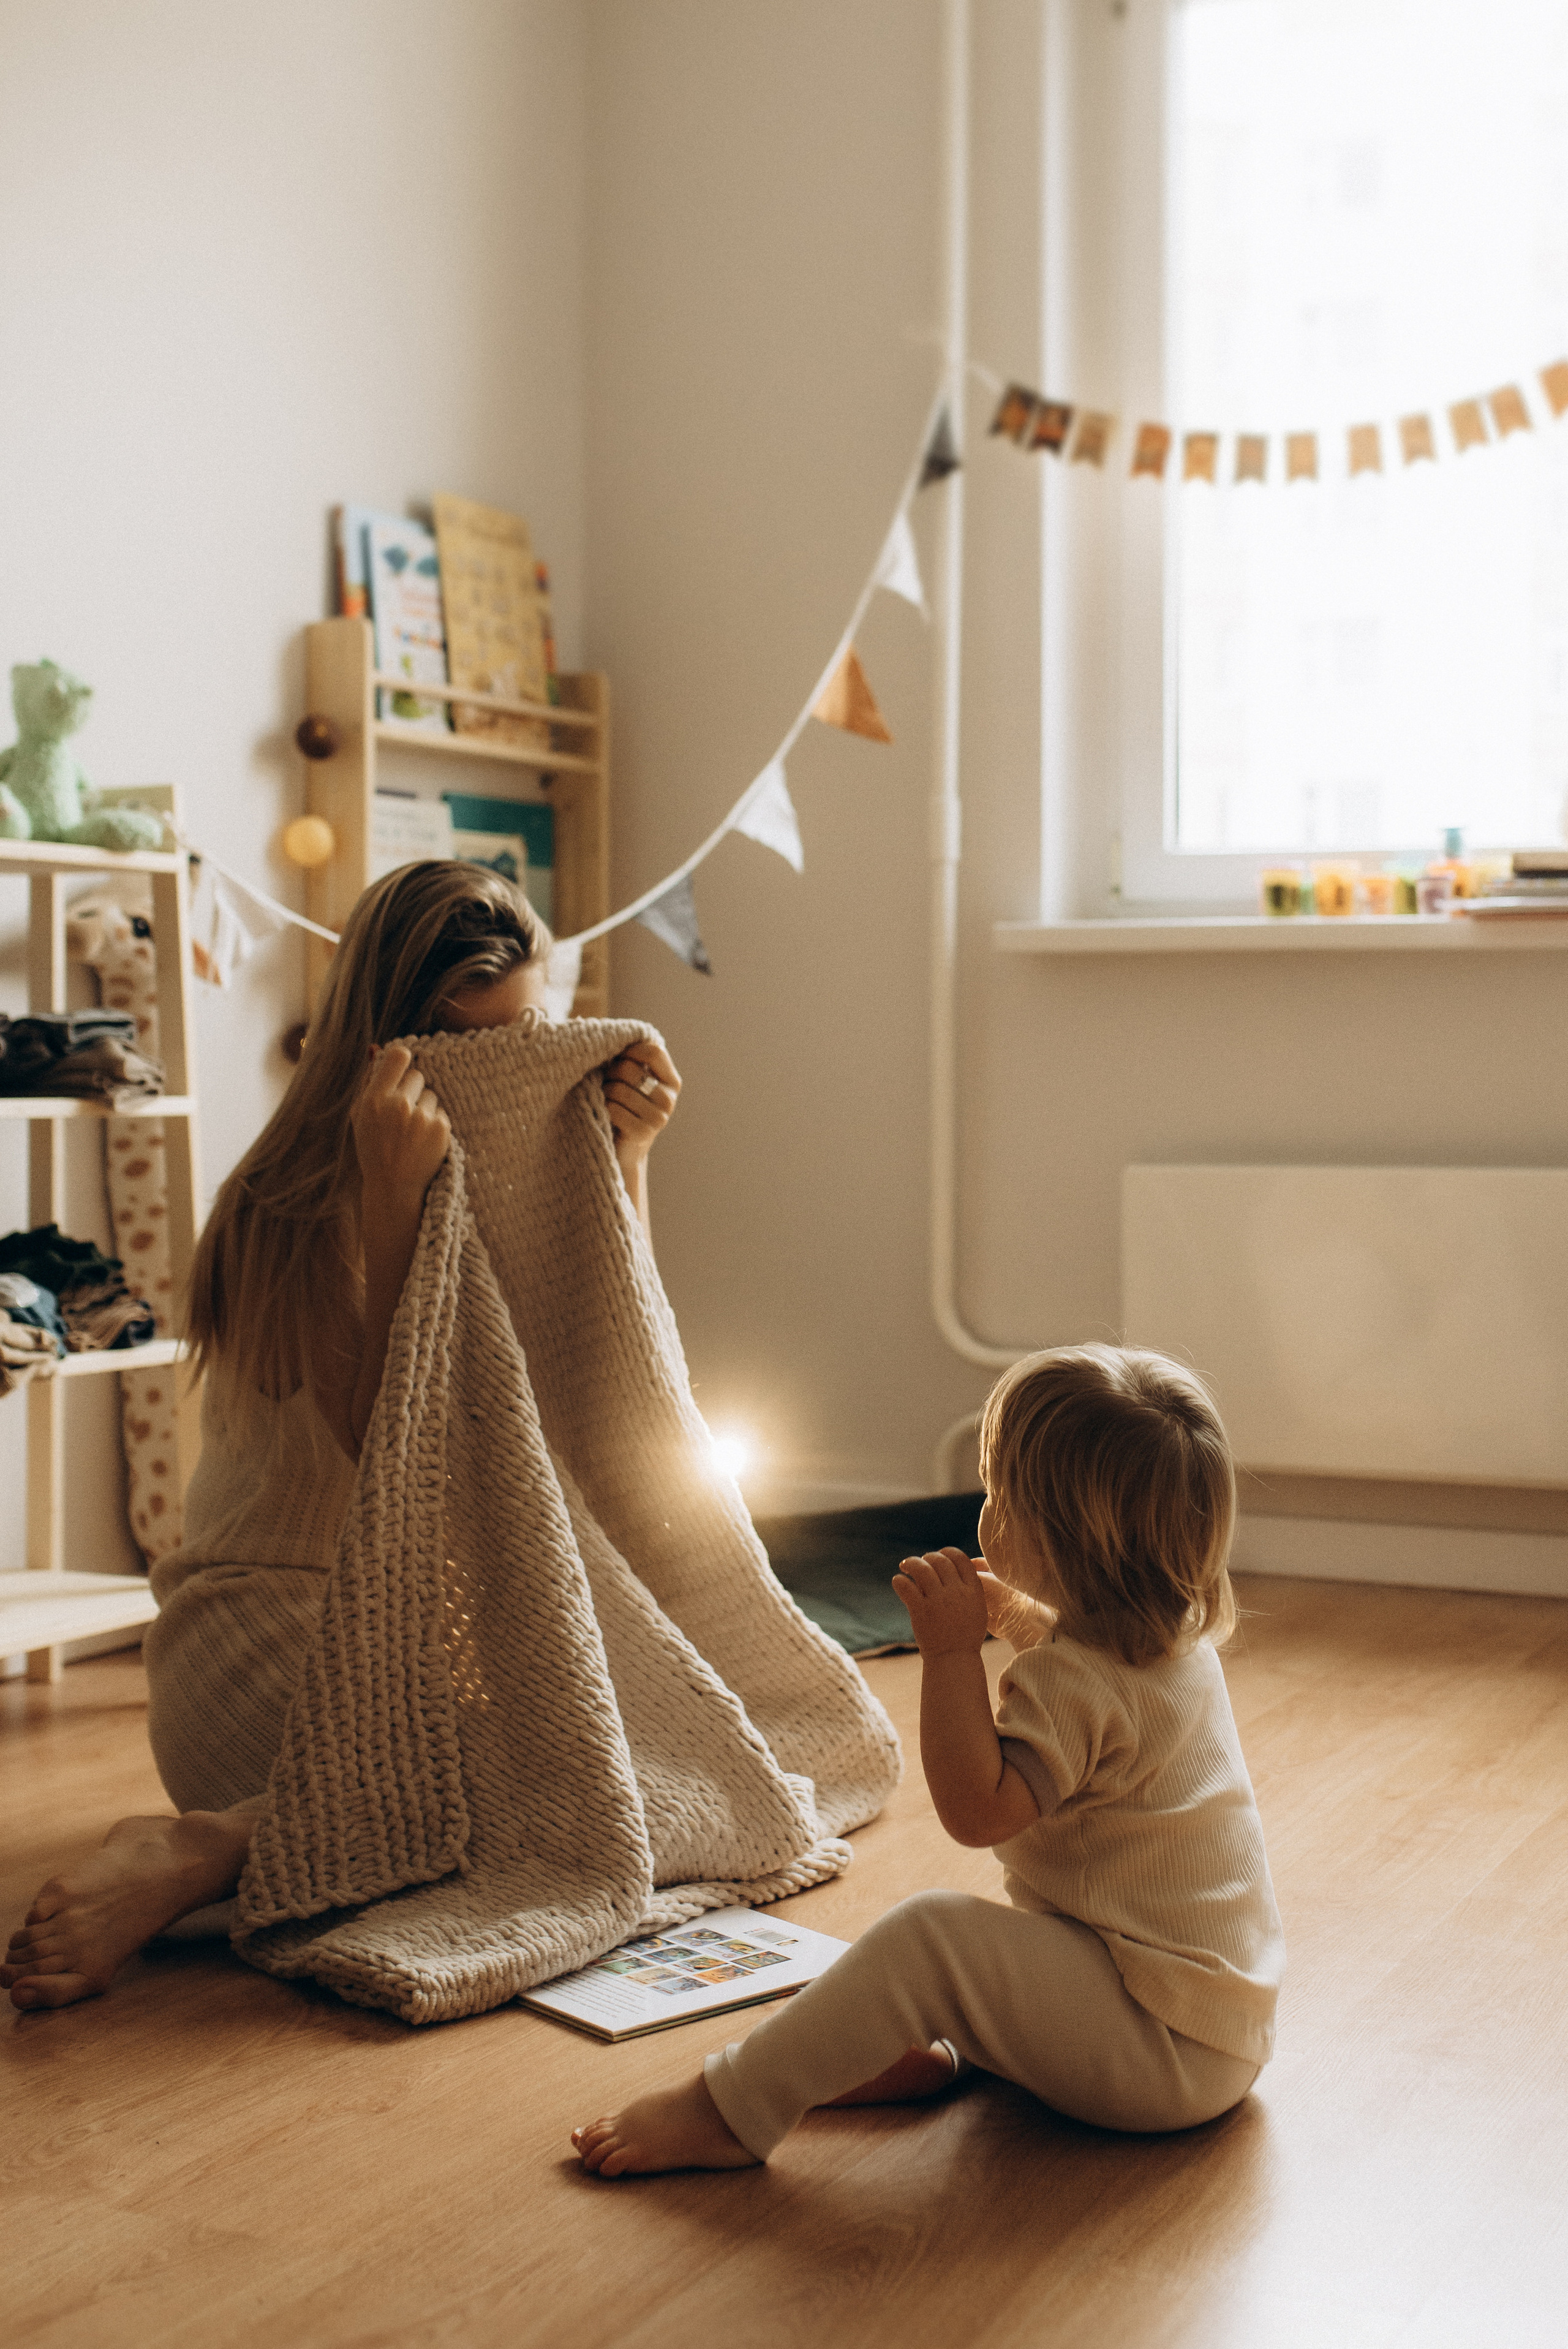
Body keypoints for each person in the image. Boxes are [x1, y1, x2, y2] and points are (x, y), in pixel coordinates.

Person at [4, 861, 680, 2011]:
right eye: (485, 1046)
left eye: (537, 1033)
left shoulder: (479, 1177)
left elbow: (611, 1379)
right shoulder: (292, 1203)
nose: (514, 1071)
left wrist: (623, 1162)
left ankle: (231, 1855)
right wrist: (390, 1196)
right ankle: (200, 1853)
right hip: (257, 1636)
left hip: (396, 1638)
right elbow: (395, 1464)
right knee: (524, 1806)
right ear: (396, 1051)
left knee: (627, 1773)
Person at [571, 1344, 1285, 2176]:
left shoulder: (1074, 1682)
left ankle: (731, 2109)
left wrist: (950, 1655)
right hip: (1215, 2033)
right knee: (1014, 1945)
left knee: (930, 1936)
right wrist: (1017, 1611)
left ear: (1050, 1537)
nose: (988, 1508)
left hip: (1156, 2051)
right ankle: (951, 2050)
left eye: (1002, 1493)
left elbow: (977, 1810)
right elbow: (1089, 1685)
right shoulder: (1172, 1640)